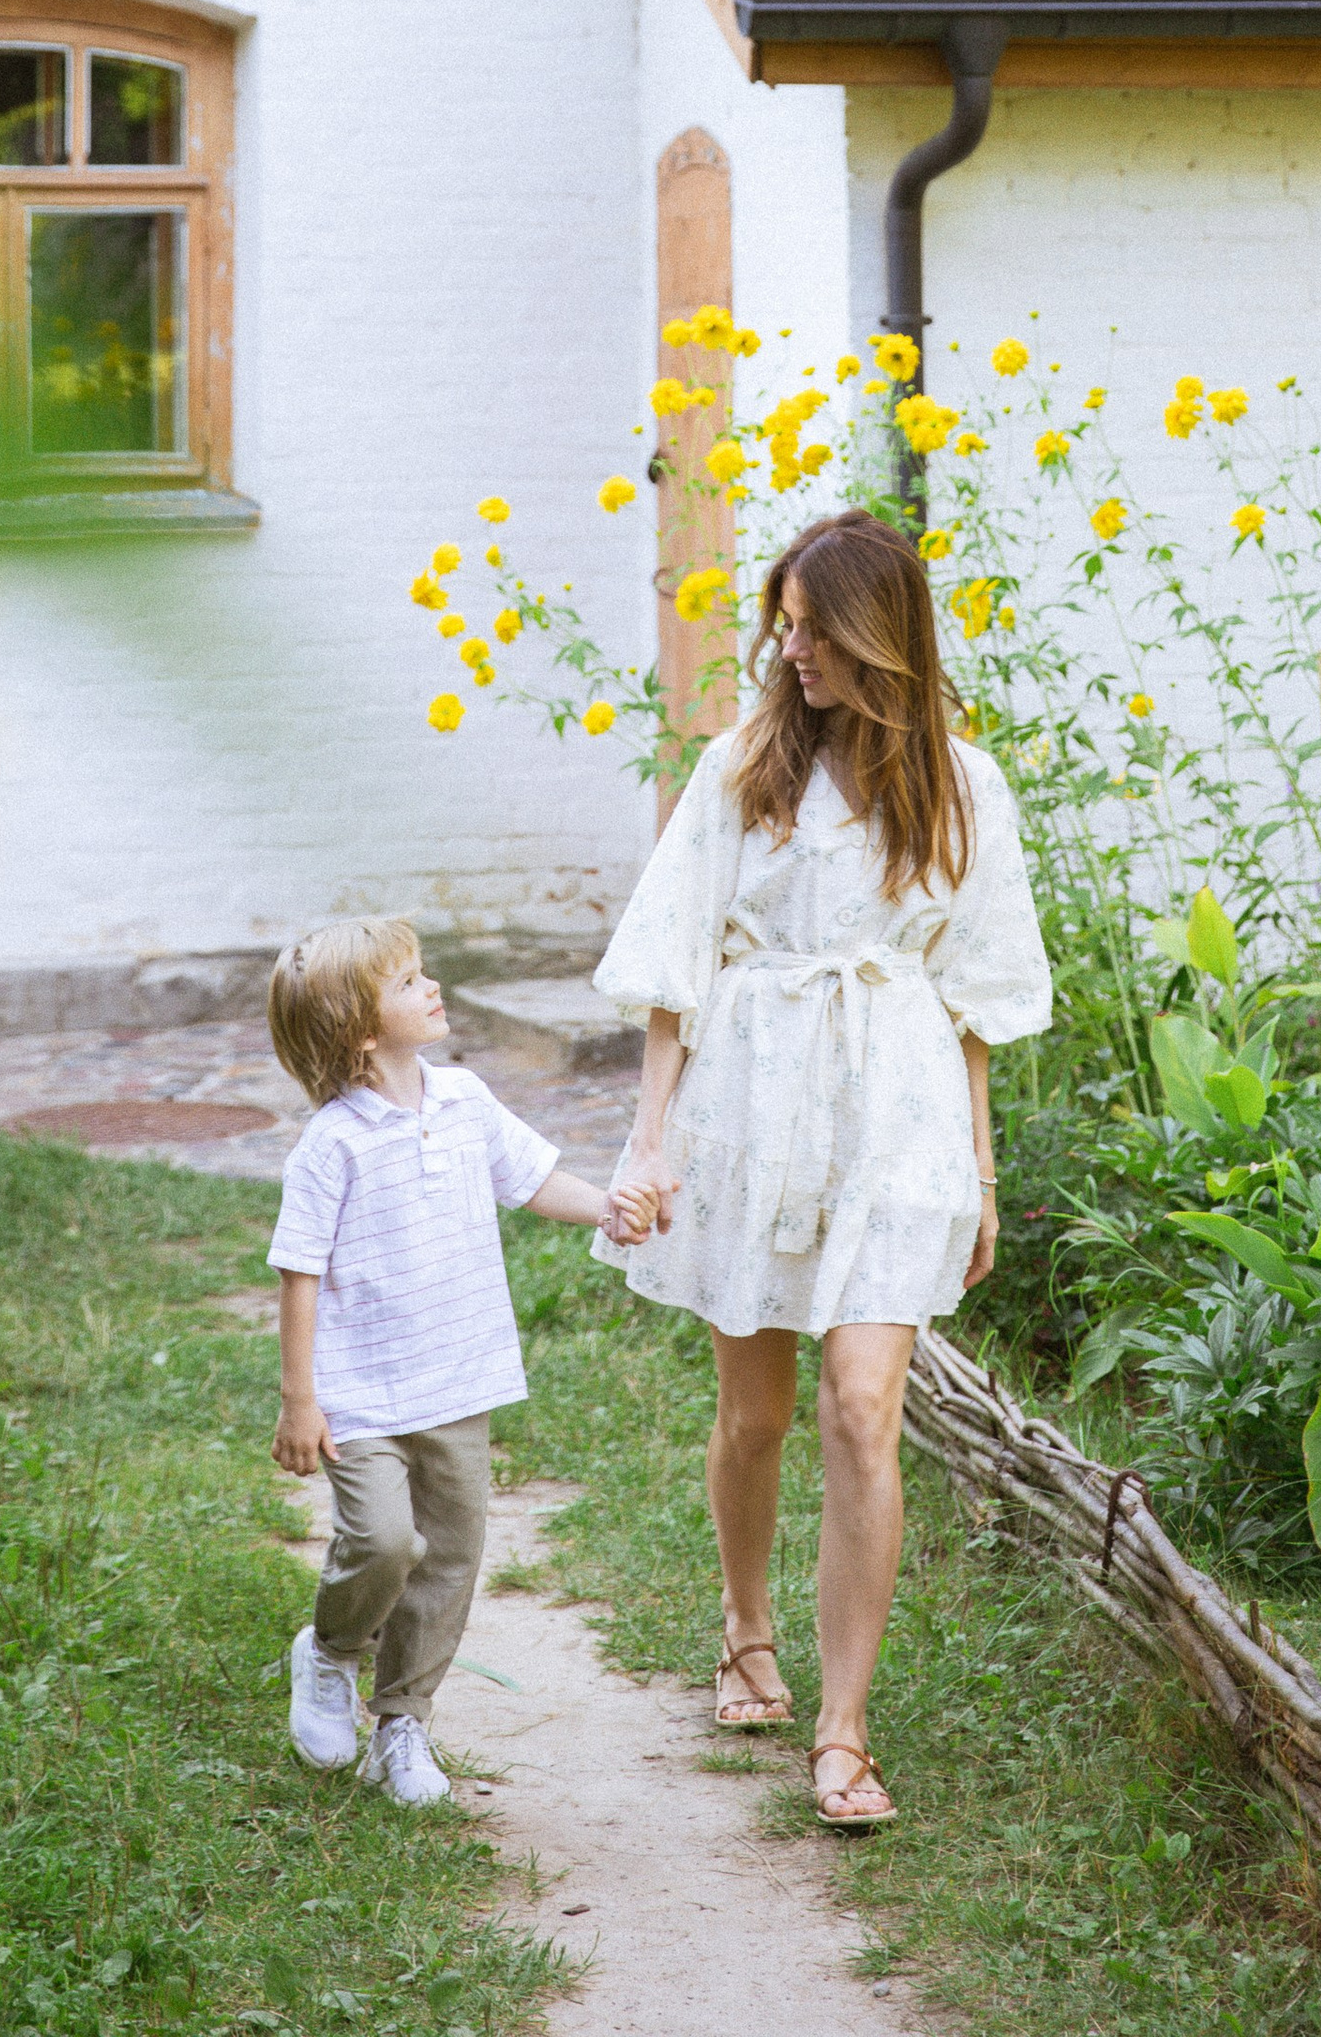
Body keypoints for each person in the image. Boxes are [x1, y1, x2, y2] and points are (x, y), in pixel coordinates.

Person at [595, 508, 1052, 1831]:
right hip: (754, 1094)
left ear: (876, 637)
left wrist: (979, 1163)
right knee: (760, 1415)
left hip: (898, 1102)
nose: (790, 650)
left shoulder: (965, 787)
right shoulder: (743, 770)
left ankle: (843, 1738)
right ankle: (746, 1628)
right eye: (782, 625)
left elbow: (975, 997)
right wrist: (650, 1139)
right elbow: (675, 969)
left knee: (864, 1407)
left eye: (814, 629)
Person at [267, 916, 647, 1804]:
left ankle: (403, 1724)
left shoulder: (466, 1101)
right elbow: (299, 1276)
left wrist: (605, 1208)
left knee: (450, 1556)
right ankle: (327, 1653)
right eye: (408, 983)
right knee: (384, 1539)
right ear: (362, 1032)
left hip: (458, 1377)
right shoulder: (331, 1145)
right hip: (361, 1392)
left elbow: (529, 1177)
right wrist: (299, 1400)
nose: (431, 987)